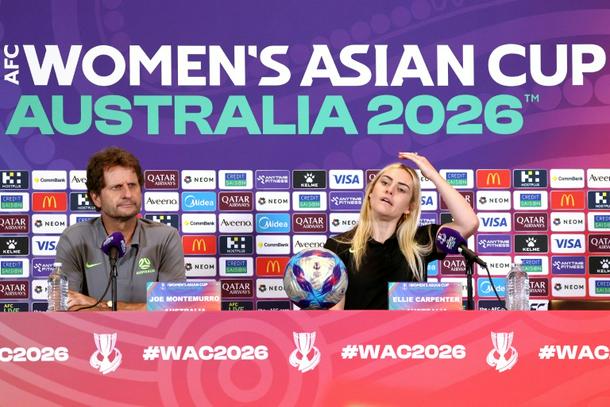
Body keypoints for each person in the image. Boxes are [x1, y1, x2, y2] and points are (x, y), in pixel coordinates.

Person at [324, 152, 479, 310]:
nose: (390, 190)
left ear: (408, 207)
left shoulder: (421, 241)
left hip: (412, 328)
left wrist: (433, 175)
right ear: (371, 192)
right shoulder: (338, 246)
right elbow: (335, 316)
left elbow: (468, 223)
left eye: (401, 189)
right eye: (385, 182)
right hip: (357, 327)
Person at [55, 147, 185, 311]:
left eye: (132, 185)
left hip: (150, 329)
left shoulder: (166, 237)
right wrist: (143, 308)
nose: (128, 194)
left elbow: (174, 307)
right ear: (96, 198)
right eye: (117, 187)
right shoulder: (74, 238)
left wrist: (99, 304)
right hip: (93, 329)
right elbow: (66, 307)